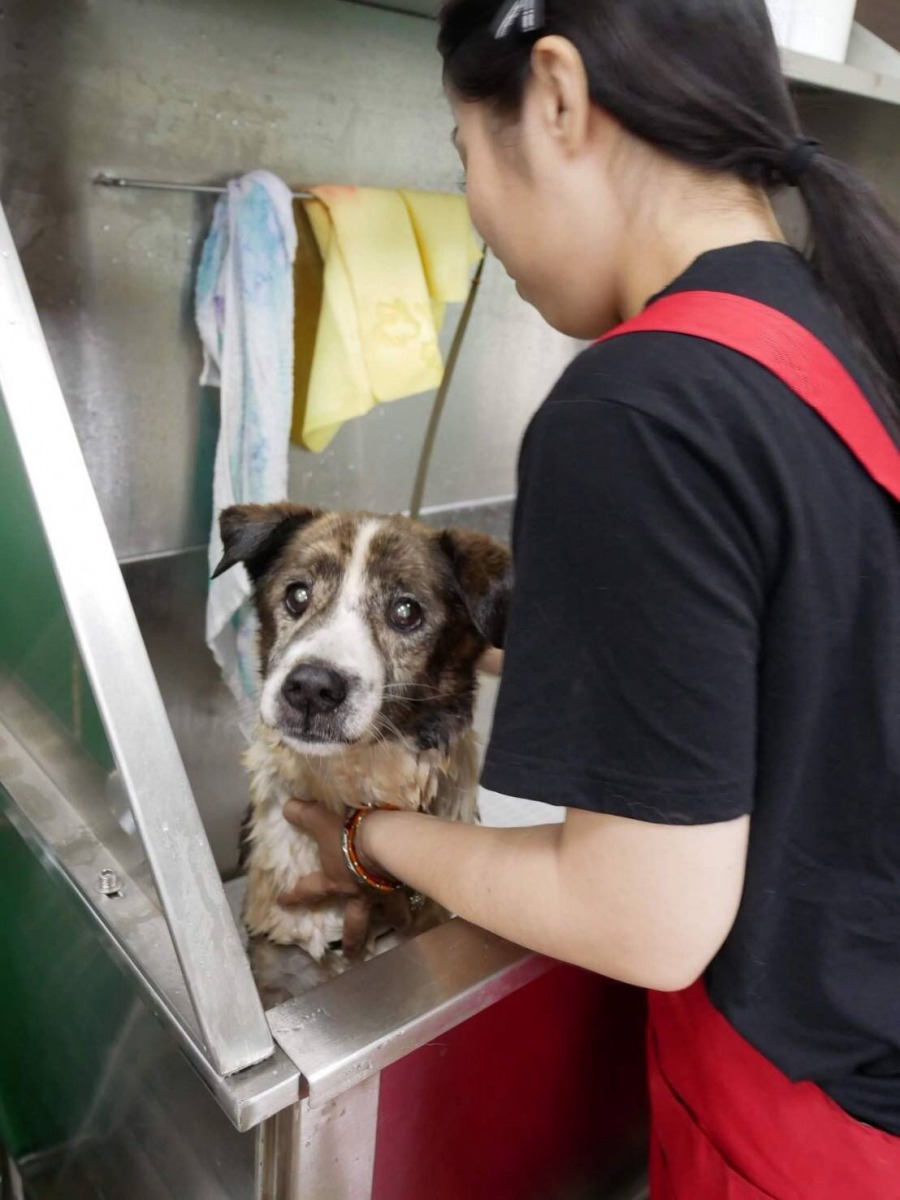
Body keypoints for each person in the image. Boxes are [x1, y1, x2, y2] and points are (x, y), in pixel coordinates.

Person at [279, 1, 900, 1193]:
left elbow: (644, 921)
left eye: (464, 158)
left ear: (556, 94)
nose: (479, 223)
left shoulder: (636, 405)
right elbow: (812, 637)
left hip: (809, 1132)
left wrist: (369, 839)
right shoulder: (843, 324)